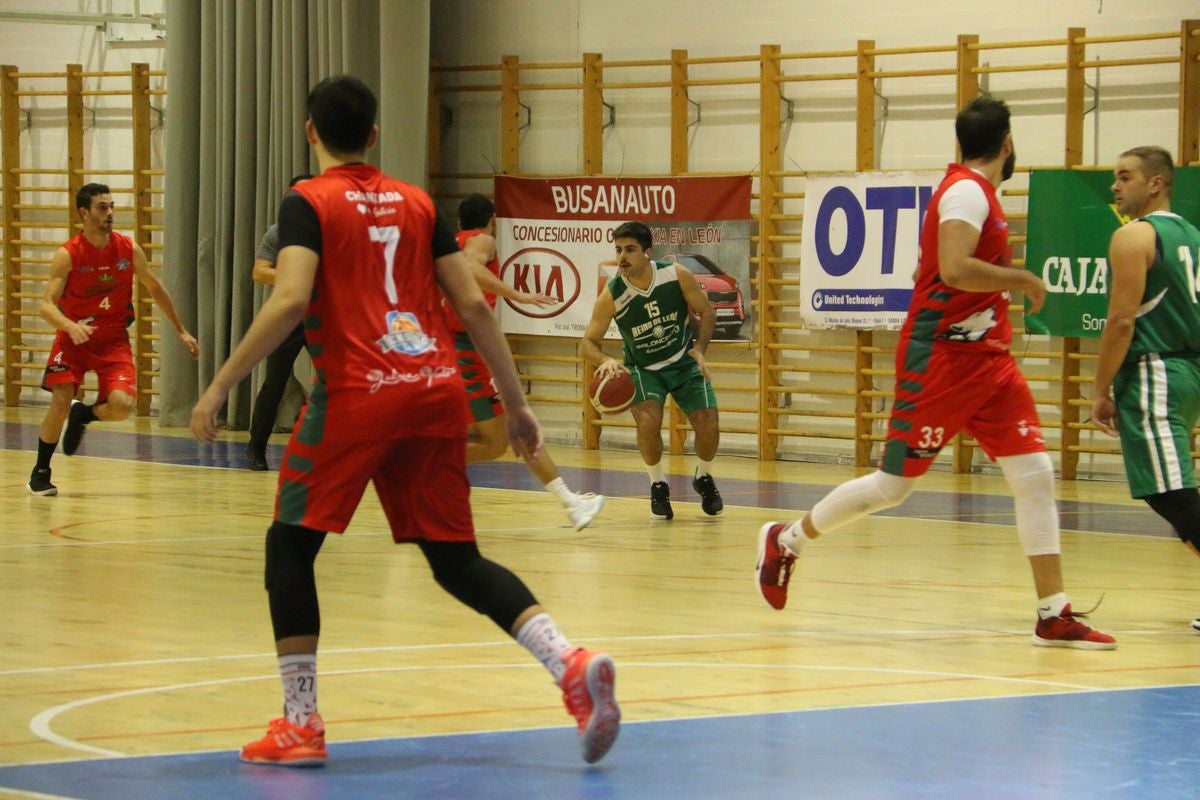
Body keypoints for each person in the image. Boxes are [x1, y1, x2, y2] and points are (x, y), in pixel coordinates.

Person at [190, 75, 620, 767]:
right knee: (455, 559)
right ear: (374, 135)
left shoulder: (308, 201)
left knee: (289, 550)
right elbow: (475, 308)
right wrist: (517, 403)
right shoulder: (419, 203)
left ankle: (301, 724)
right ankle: (568, 663)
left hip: (359, 394)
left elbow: (291, 297)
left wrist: (218, 384)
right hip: (432, 387)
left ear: (310, 133)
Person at [754, 96, 1116, 650]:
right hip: (941, 359)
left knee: (1036, 475)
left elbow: (936, 267)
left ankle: (1053, 612)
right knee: (893, 488)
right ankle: (787, 539)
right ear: (1008, 143)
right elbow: (952, 267)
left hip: (989, 361)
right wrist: (1023, 280)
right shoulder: (968, 190)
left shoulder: (975, 193)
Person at [27, 183, 200, 496]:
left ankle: (86, 414)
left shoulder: (128, 248)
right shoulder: (67, 255)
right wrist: (69, 325)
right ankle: (41, 472)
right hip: (73, 341)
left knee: (121, 407)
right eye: (102, 208)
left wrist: (181, 330)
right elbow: (45, 305)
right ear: (84, 213)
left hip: (112, 341)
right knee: (60, 400)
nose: (109, 213)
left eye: (111, 206)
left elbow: (155, 288)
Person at [1090, 145, 1200, 634]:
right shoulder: (1193, 236)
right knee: (1174, 494)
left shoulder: (1134, 236)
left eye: (1125, 176)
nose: (1116, 185)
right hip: (1189, 373)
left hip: (1155, 370)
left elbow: (1120, 321)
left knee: (1171, 494)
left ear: (1155, 183)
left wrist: (1100, 390)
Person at [451, 193, 606, 530]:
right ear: (491, 219)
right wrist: (517, 294)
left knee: (490, 441)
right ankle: (571, 504)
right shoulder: (482, 240)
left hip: (443, 349)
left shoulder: (448, 243)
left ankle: (423, 467)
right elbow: (468, 265)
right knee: (514, 432)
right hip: (464, 350)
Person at [580, 220, 723, 520]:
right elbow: (587, 344)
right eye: (618, 250)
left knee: (709, 423)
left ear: (648, 252)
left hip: (684, 360)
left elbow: (707, 312)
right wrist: (605, 360)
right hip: (644, 368)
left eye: (630, 249)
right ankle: (657, 484)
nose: (622, 257)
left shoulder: (676, 275)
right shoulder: (613, 293)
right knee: (648, 422)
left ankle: (704, 477)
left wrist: (700, 349)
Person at [245, 174, 314, 471]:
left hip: (323, 316)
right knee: (275, 382)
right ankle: (256, 448)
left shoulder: (330, 230)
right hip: (288, 316)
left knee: (341, 382)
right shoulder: (278, 232)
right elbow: (260, 272)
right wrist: (293, 274)